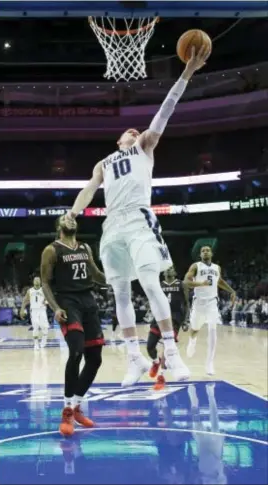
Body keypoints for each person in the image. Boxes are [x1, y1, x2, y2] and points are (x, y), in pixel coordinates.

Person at [65, 46, 209, 386]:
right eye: (127, 131)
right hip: (111, 225)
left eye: (135, 130)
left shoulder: (145, 146)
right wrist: (71, 213)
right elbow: (88, 189)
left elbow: (166, 110)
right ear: (118, 140)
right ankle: (134, 358)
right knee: (120, 293)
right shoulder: (104, 163)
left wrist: (186, 72)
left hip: (140, 219)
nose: (133, 131)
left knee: (149, 283)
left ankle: (171, 354)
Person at [40, 215, 106, 436]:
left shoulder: (85, 247)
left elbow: (96, 274)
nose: (70, 218)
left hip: (88, 301)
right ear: (59, 226)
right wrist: (55, 307)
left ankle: (76, 406)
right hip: (68, 302)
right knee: (76, 350)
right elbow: (46, 283)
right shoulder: (51, 250)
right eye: (65, 216)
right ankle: (67, 411)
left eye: (72, 215)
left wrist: (118, 279)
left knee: (95, 358)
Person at [184, 246, 236, 375]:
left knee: (213, 330)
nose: (205, 252)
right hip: (198, 302)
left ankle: (209, 363)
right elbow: (186, 282)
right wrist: (200, 284)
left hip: (212, 302)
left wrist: (232, 291)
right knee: (195, 329)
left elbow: (219, 281)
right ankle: (192, 341)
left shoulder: (216, 268)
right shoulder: (196, 266)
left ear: (212, 253)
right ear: (200, 255)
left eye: (207, 250)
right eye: (203, 251)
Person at [147, 266, 190, 390]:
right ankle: (156, 362)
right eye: (166, 268)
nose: (168, 270)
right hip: (159, 317)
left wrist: (186, 320)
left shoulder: (181, 284)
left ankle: (161, 377)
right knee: (150, 346)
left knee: (167, 347)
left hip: (174, 319)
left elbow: (187, 303)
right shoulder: (159, 284)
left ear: (175, 272)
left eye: (171, 268)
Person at [20, 276, 49, 350]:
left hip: (42, 310)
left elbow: (48, 299)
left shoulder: (44, 290)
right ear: (33, 282)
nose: (36, 281)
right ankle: (36, 344)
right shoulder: (30, 291)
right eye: (35, 280)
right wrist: (22, 309)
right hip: (34, 311)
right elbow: (25, 300)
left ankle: (44, 341)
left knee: (45, 327)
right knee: (35, 327)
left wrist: (46, 302)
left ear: (40, 281)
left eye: (38, 280)